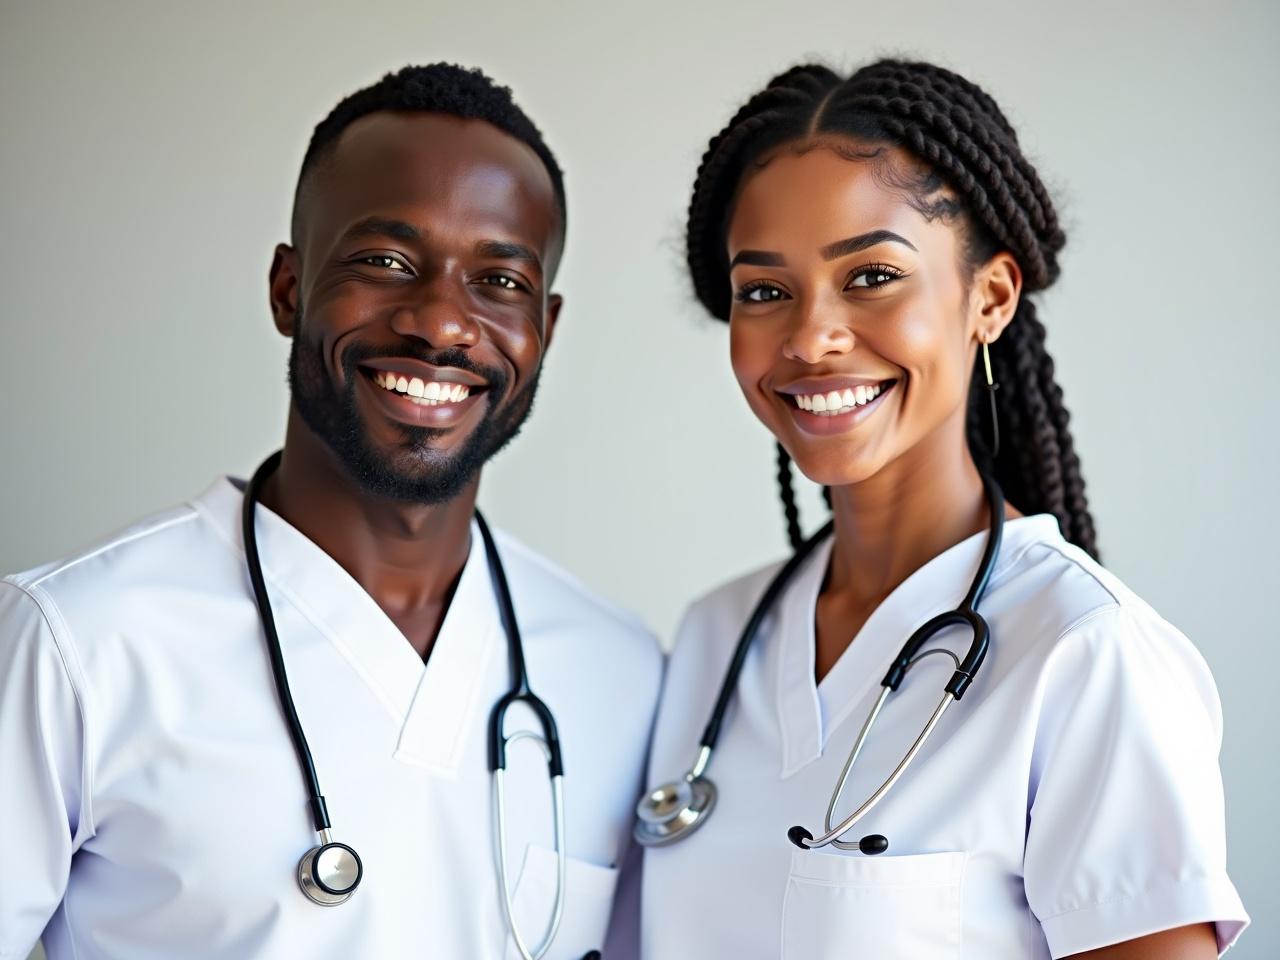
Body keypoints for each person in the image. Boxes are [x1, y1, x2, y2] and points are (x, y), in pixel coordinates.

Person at [0, 63, 661, 960]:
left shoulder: (622, 674)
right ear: (288, 288)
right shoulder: (78, 643)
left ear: (544, 327)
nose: (441, 324)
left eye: (498, 281)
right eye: (385, 263)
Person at [638, 60, 1248, 958]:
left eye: (872, 276)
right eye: (765, 291)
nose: (810, 339)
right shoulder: (714, 638)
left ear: (990, 298)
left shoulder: (1084, 653)